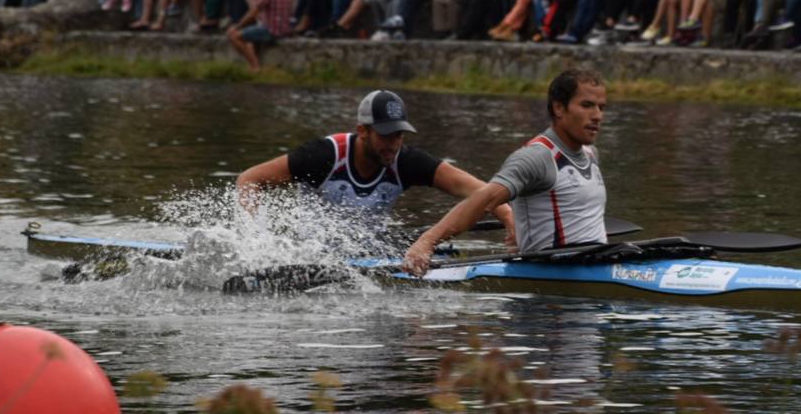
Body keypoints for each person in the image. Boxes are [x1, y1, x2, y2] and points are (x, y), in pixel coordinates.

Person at [236, 90, 516, 247]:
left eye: (399, 135)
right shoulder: (322, 155)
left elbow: (476, 190)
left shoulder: (406, 161)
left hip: (368, 248)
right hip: (312, 250)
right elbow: (250, 179)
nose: (393, 144)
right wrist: (252, 238)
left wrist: (508, 216)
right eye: (385, 135)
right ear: (363, 131)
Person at [404, 69, 605, 275]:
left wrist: (524, 232)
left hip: (594, 262)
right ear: (559, 108)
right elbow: (483, 199)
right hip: (551, 283)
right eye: (587, 105)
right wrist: (426, 243)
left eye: (601, 107)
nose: (597, 115)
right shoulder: (536, 157)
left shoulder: (590, 153)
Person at [226, 0, 294, 72]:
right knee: (251, 36)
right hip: (285, 28)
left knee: (234, 36)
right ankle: (255, 62)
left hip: (271, 29)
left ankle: (255, 66)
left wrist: (237, 26)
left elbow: (252, 13)